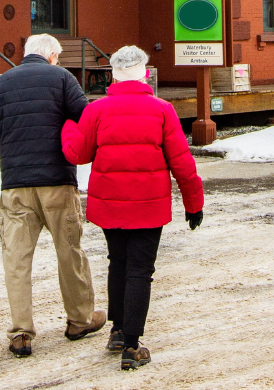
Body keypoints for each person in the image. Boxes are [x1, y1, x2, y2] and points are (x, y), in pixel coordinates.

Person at [61, 44, 204, 371]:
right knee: (140, 270)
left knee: (118, 262)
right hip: (148, 208)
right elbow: (182, 162)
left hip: (110, 205)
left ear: (115, 73)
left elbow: (78, 153)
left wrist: (69, 126)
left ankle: (117, 330)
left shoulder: (97, 110)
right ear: (143, 73)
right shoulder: (162, 110)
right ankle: (132, 345)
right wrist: (194, 203)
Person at [0, 32, 106, 357]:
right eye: (58, 57)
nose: (58, 62)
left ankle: (21, 333)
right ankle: (79, 319)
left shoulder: (1, 83)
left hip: (15, 186)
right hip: (57, 182)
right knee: (69, 251)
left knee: (16, 259)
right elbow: (86, 120)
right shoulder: (62, 78)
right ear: (51, 56)